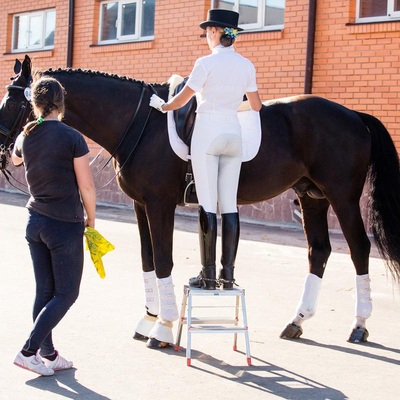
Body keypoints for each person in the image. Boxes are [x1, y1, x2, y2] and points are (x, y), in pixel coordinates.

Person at [150, 9, 262, 290]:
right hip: (233, 133)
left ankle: (208, 275)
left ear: (215, 32)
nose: (206, 37)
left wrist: (159, 105)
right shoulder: (246, 65)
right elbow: (257, 106)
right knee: (230, 206)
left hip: (208, 133)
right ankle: (228, 276)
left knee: (208, 204)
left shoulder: (204, 63)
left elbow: (180, 101)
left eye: (207, 32)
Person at [11, 75, 96, 376]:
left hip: (35, 222)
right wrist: (92, 219)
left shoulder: (25, 136)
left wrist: (27, 130)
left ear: (35, 104)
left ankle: (48, 354)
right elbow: (87, 187)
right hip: (64, 225)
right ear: (62, 101)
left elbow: (16, 160)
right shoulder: (73, 137)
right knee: (67, 293)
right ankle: (28, 350)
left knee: (45, 292)